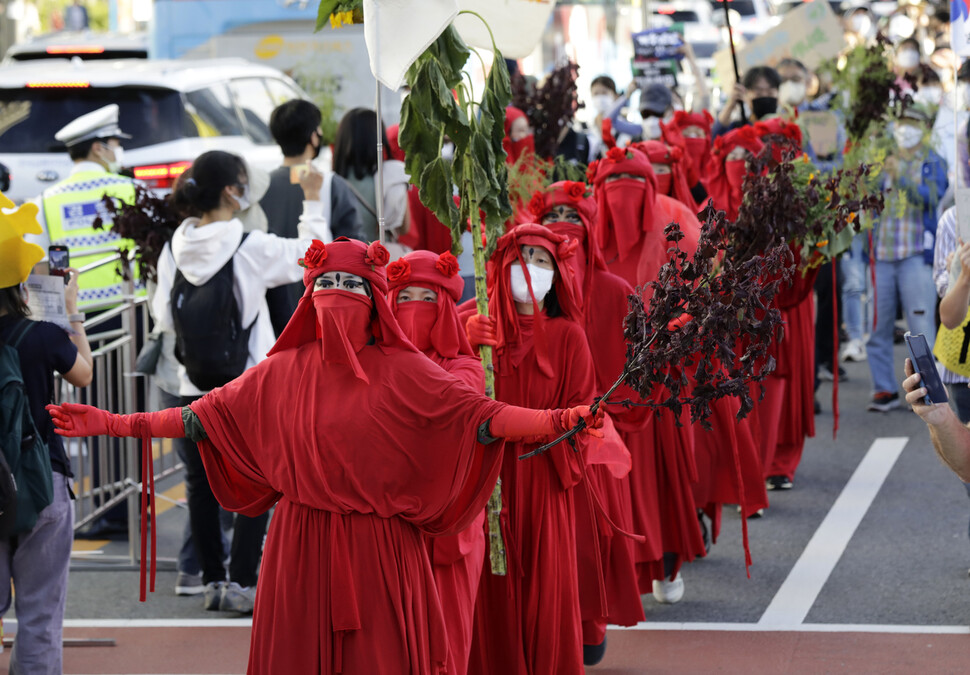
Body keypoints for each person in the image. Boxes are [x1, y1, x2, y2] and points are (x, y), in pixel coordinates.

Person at [48, 236, 603, 675]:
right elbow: (196, 417)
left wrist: (560, 419)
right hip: (300, 545)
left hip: (382, 551)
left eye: (353, 283)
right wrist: (110, 422)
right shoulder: (279, 372)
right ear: (309, 293)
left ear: (374, 298)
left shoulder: (410, 371)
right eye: (326, 281)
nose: (338, 292)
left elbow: (484, 418)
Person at [153, 150, 333, 613]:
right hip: (246, 388)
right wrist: (312, 201)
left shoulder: (174, 246)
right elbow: (314, 257)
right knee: (258, 480)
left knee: (199, 483)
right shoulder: (249, 246)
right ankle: (241, 582)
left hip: (190, 385)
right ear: (232, 192)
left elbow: (160, 314)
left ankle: (211, 580)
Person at [463, 223, 602, 674]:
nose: (530, 269)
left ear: (558, 274)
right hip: (484, 479)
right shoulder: (477, 327)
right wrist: (462, 347)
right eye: (521, 257)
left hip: (543, 479)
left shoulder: (569, 337)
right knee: (487, 583)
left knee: (545, 585)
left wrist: (539, 431)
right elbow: (445, 394)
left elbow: (582, 415)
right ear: (500, 268)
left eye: (542, 260)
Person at [530, 185, 645, 662]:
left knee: (588, 539)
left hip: (593, 437)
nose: (563, 221)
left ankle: (589, 624)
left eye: (571, 213)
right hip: (535, 440)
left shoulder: (617, 291)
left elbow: (635, 373)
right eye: (552, 213)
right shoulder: (512, 308)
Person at [0, 205, 92, 674]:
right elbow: (84, 374)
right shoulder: (39, 335)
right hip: (41, 482)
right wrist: (71, 312)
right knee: (38, 615)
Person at [386, 249, 484, 675]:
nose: (414, 309)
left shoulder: (466, 367)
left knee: (447, 632)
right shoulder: (370, 365)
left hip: (448, 522)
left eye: (427, 298)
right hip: (387, 522)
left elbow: (448, 407)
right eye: (404, 297)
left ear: (445, 306)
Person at [866, 107, 947, 412]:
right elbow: (866, 200)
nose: (906, 128)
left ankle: (927, 391)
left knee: (920, 325)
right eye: (901, 123)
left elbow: (930, 198)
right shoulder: (882, 159)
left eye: (912, 123)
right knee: (878, 325)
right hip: (882, 256)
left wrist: (902, 178)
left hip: (915, 254)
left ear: (923, 127)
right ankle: (883, 389)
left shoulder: (932, 160)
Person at [262, 100, 365, 336]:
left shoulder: (262, 187)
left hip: (272, 313)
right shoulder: (330, 183)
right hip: (322, 309)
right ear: (313, 137)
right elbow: (355, 247)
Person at [26, 104, 137, 310]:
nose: (118, 151)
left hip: (78, 316)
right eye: (115, 144)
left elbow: (40, 266)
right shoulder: (132, 189)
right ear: (97, 148)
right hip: (130, 309)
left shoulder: (44, 200)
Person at [332, 108, 410, 246]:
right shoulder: (393, 174)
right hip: (382, 257)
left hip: (346, 260)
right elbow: (404, 227)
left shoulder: (332, 181)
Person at [713, 66, 782, 139]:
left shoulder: (785, 128)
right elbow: (716, 137)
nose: (764, 95)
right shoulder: (740, 127)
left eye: (770, 93)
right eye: (758, 93)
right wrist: (731, 104)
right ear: (746, 94)